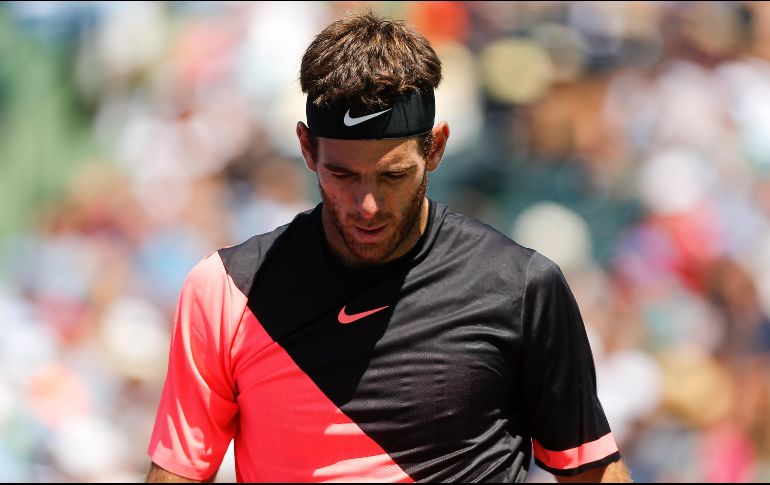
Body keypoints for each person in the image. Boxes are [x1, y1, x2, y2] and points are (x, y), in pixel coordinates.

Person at [145, 11, 632, 483]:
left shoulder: (523, 289)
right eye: (342, 175)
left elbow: (590, 470)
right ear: (307, 149)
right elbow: (178, 474)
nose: (368, 205)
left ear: (435, 149)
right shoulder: (225, 289)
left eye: (393, 175)